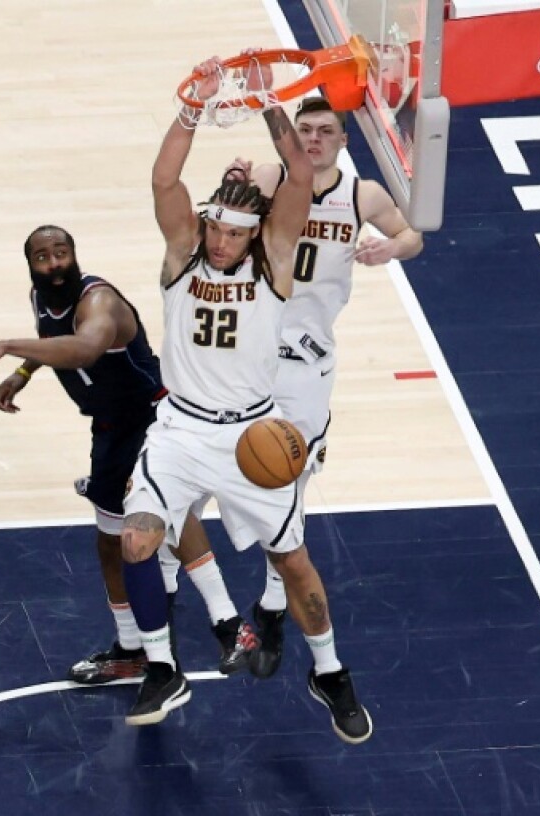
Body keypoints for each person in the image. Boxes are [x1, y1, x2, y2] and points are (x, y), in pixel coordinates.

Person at [116, 57, 372, 742]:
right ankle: (161, 667)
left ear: (254, 232)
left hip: (252, 435)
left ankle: (329, 671)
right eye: (216, 228)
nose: (223, 241)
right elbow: (163, 179)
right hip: (178, 432)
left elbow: (296, 175)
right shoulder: (180, 254)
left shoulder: (276, 259)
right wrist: (192, 110)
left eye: (235, 231)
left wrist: (269, 101)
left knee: (293, 563)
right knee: (135, 542)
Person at [0, 225, 258, 684]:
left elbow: (84, 347)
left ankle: (231, 626)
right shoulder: (43, 300)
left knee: (167, 516)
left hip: (153, 418)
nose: (54, 263)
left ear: (75, 254)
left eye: (61, 253)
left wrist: (6, 345)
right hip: (111, 428)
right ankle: (129, 648)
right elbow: (54, 337)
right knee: (109, 541)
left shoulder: (99, 302)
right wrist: (23, 371)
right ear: (31, 265)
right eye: (43, 257)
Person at [229, 96, 424, 680]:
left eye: (323, 131)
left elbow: (413, 234)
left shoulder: (361, 196)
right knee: (227, 480)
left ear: (342, 141)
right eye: (303, 130)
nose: (312, 140)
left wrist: (393, 248)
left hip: (308, 361)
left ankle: (268, 608)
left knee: (285, 486)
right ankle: (241, 606)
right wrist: (235, 181)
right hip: (245, 347)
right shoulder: (270, 177)